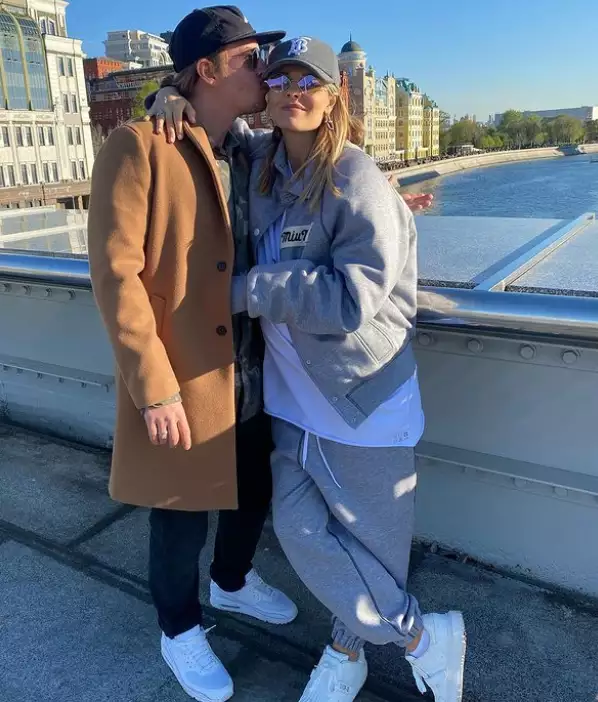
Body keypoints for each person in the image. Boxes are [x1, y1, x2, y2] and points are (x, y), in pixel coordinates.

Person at [149, 37, 465, 702]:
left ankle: (355, 652)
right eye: (281, 78)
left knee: (370, 550)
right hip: (293, 406)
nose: (293, 91)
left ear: (334, 95)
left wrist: (246, 290)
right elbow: (208, 119)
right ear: (267, 94)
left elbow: (351, 299)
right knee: (300, 534)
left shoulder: (356, 177)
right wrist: (168, 94)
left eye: (309, 81)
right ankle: (422, 637)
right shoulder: (261, 162)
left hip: (361, 402)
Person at [86, 8, 299, 702]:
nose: (263, 70)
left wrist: (385, 204)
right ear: (205, 70)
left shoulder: (250, 148)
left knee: (252, 490)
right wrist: (153, 387)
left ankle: (231, 583)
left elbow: (321, 150)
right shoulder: (138, 147)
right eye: (248, 59)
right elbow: (115, 276)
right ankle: (178, 628)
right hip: (183, 373)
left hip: (251, 366)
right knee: (179, 513)